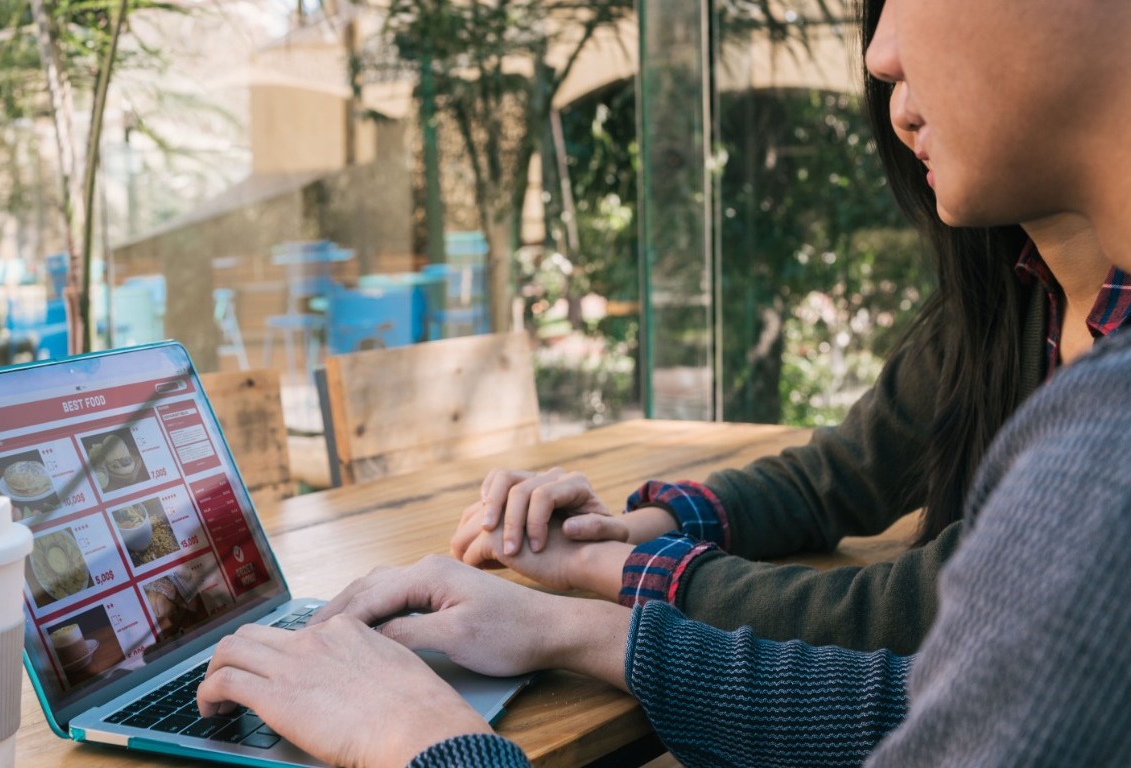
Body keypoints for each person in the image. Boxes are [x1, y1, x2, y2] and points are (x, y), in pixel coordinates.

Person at [192, 0, 1131, 765]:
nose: (880, 55)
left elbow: (929, 630)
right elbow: (914, 701)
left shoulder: (1105, 448)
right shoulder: (1022, 319)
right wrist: (579, 610)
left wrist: (420, 740)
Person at [448, 87, 1124, 655]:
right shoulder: (1006, 299)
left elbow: (920, 606)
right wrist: (628, 530)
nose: (890, 81)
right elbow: (838, 476)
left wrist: (603, 580)